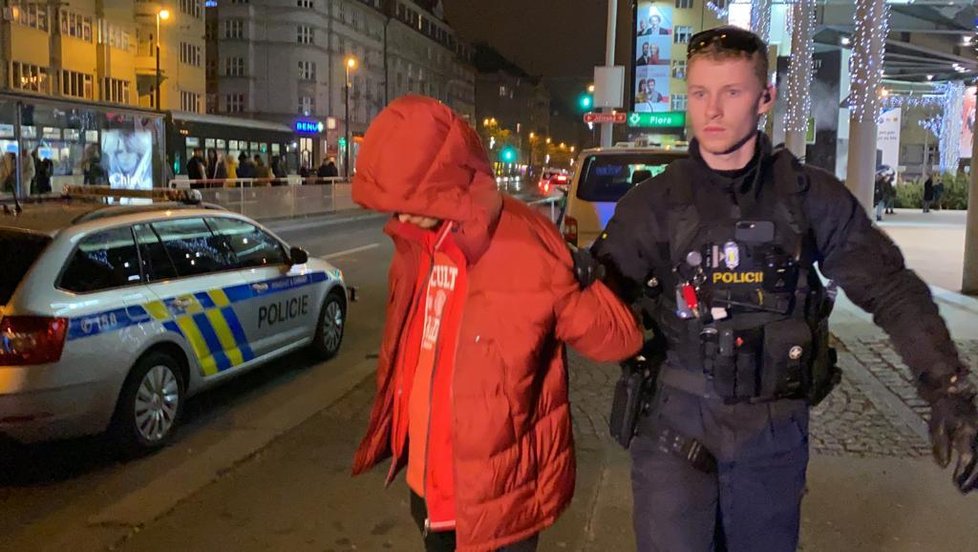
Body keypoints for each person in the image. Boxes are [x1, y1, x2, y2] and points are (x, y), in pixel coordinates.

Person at [582, 26, 977, 551]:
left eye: (732, 92)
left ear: (765, 98)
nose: (712, 111)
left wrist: (947, 387)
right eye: (700, 93)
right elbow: (591, 301)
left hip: (770, 433)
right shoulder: (654, 203)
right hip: (675, 426)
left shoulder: (808, 196)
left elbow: (889, 288)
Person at [350, 95, 643, 552]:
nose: (399, 214)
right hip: (430, 486)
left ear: (443, 178)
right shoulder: (415, 243)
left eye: (408, 198)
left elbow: (617, 340)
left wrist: (580, 274)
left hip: (503, 497)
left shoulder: (525, 242)